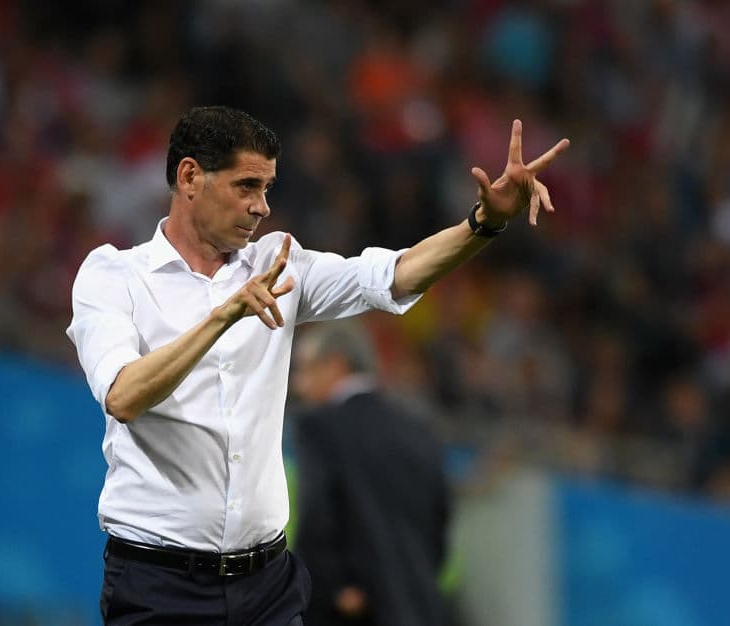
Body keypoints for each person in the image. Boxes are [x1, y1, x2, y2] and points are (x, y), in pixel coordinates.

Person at [66, 105, 568, 625]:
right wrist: (224, 317)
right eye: (246, 186)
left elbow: (395, 274)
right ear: (191, 176)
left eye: (268, 188)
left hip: (267, 588)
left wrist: (483, 224)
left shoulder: (278, 264)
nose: (262, 207)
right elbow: (123, 396)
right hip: (160, 584)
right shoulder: (114, 276)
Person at [291, 321, 450, 626]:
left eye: (305, 369)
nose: (300, 385)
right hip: (418, 604)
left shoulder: (320, 427)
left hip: (351, 611)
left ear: (335, 364)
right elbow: (438, 519)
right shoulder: (417, 428)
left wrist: (336, 586)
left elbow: (316, 517)